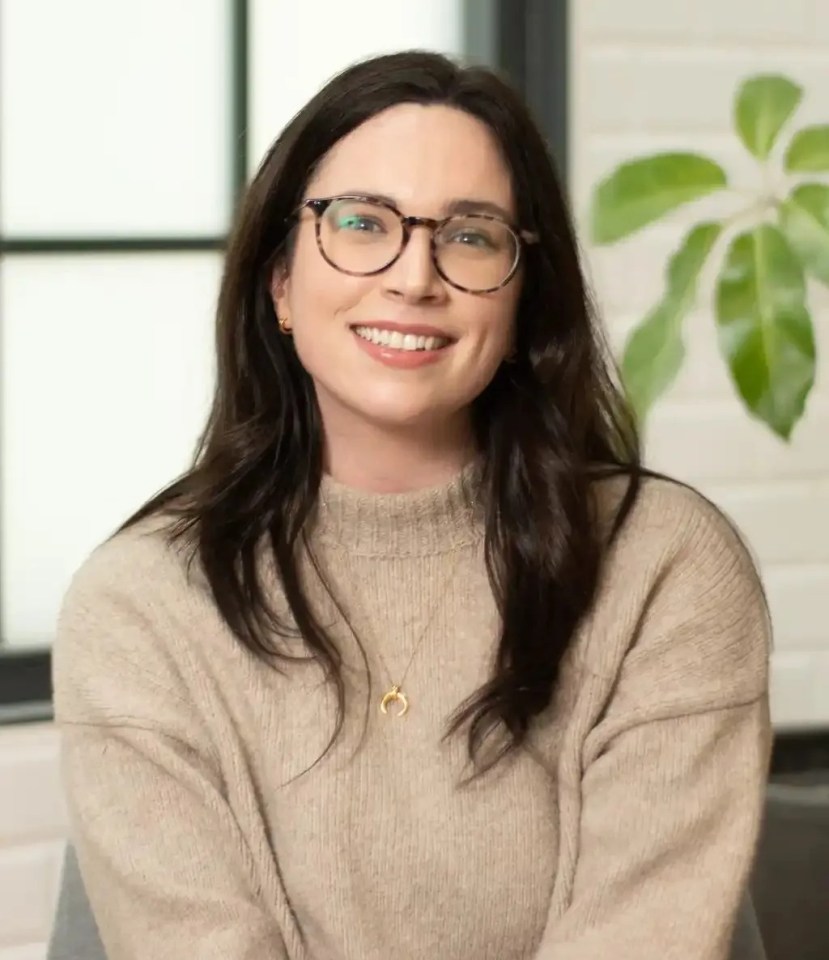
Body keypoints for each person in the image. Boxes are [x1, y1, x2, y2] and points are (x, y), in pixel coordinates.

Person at [52, 50, 772, 960]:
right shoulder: (141, 604)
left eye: (470, 236)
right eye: (361, 223)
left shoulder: (662, 564)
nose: (413, 277)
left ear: (520, 300)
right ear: (279, 281)